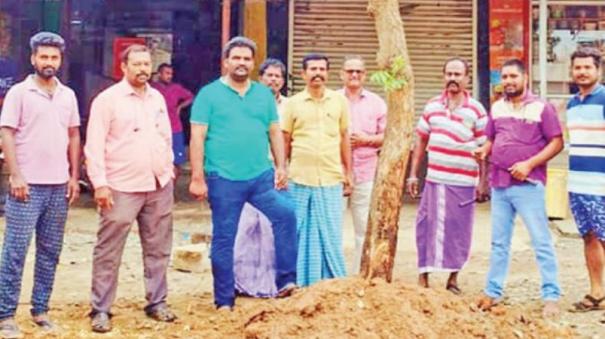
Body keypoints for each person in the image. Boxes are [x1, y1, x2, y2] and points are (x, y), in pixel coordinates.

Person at [189, 37, 297, 311]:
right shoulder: (209, 94)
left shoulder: (262, 95)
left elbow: (274, 131)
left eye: (247, 59)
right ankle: (224, 300)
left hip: (260, 176)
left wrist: (281, 166)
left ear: (253, 63)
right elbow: (198, 137)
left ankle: (286, 282)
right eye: (236, 58)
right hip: (223, 179)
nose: (241, 63)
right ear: (226, 62)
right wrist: (197, 177)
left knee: (285, 214)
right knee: (225, 237)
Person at [85, 44, 176, 332]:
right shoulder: (107, 100)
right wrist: (99, 184)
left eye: (146, 64)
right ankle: (101, 308)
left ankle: (157, 302)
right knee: (109, 250)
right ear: (123, 67)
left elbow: (165, 137)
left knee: (158, 247)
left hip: (158, 184)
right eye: (136, 64)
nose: (142, 69)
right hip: (120, 186)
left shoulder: (157, 98)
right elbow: (94, 146)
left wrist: (169, 166)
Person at [0, 31, 80, 337]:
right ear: (33, 59)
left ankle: (40, 309)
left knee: (50, 251)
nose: (49, 62)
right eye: (43, 56)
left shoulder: (68, 95)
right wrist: (15, 174)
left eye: (54, 57)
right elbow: (6, 133)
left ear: (60, 60)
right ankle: (6, 314)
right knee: (15, 250)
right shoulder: (20, 93)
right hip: (27, 186)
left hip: (58, 186)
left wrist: (73, 176)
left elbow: (73, 134)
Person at [474, 58, 563, 318]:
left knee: (541, 241)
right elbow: (491, 138)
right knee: (498, 242)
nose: (509, 81)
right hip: (500, 184)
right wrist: (484, 150)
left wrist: (529, 164)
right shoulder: (497, 107)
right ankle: (493, 292)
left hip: (528, 185)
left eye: (513, 76)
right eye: (505, 77)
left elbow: (556, 142)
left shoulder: (541, 108)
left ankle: (551, 296)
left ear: (525, 78)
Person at [407, 57, 489, 293]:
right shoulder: (432, 105)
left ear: (466, 78)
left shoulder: (476, 109)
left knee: (459, 230)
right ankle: (424, 275)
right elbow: (421, 140)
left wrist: (483, 182)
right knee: (425, 226)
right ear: (444, 76)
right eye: (449, 74)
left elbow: (485, 147)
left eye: (457, 74)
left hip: (463, 181)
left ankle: (453, 279)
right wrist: (413, 175)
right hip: (434, 178)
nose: (453, 79)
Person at [282, 53, 353, 287]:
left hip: (331, 177)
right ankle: (300, 281)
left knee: (331, 231)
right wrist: (281, 169)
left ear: (328, 73)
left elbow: (344, 137)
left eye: (322, 69)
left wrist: (348, 171)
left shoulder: (339, 101)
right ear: (303, 74)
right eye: (312, 69)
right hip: (299, 177)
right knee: (300, 229)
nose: (317, 73)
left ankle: (331, 281)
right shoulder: (292, 104)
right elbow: (285, 139)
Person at [233, 57, 289, 298]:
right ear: (260, 78)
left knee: (270, 228)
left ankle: (269, 284)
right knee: (245, 228)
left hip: (276, 174)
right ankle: (241, 282)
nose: (273, 80)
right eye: (269, 75)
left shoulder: (289, 106)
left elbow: (290, 139)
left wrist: (283, 168)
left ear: (283, 82)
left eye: (278, 76)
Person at [337, 55, 387, 274]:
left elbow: (388, 136)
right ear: (341, 74)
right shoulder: (332, 99)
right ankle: (334, 273)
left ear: (365, 75)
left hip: (366, 171)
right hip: (334, 173)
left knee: (363, 227)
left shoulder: (377, 103)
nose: (354, 75)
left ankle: (359, 273)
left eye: (358, 71)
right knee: (332, 226)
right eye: (350, 71)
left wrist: (365, 140)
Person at [565, 47, 605, 314]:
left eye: (587, 67)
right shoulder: (572, 103)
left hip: (601, 183)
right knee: (589, 237)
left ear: (598, 70)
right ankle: (597, 292)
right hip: (579, 183)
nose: (581, 72)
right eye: (577, 67)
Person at [151, 63, 194, 182]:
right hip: (156, 130)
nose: (169, 76)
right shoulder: (152, 88)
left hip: (175, 129)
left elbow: (191, 97)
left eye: (171, 74)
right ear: (159, 74)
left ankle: (172, 189)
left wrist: (180, 107)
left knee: (176, 161)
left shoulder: (176, 88)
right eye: (166, 73)